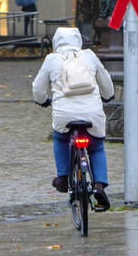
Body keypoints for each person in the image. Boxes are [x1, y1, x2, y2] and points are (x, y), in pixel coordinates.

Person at [32, 26, 114, 211]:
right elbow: (105, 80)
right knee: (96, 147)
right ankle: (100, 186)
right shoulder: (89, 56)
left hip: (64, 114)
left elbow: (38, 88)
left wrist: (43, 101)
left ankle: (62, 178)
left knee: (60, 139)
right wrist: (108, 95)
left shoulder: (52, 59)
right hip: (92, 113)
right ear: (78, 41)